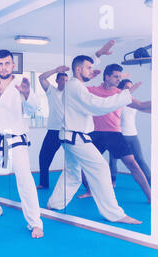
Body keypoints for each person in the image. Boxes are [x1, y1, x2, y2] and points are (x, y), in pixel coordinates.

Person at [46, 54, 142, 224]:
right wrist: (125, 94)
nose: (91, 71)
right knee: (102, 169)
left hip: (70, 137)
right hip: (76, 138)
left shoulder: (74, 86)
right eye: (88, 68)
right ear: (78, 69)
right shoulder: (75, 86)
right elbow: (97, 106)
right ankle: (115, 214)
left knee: (73, 174)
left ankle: (54, 204)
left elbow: (90, 101)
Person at [0, 49, 44, 239]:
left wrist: (28, 93)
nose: (3, 67)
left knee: (25, 182)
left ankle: (35, 224)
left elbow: (34, 108)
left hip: (16, 140)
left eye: (7, 63)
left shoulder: (21, 83)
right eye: (0, 63)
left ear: (13, 65)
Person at [76, 65, 151, 202]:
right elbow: (76, 88)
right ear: (107, 77)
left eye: (120, 77)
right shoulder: (92, 90)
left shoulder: (120, 94)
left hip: (114, 134)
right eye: (116, 76)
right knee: (84, 164)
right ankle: (90, 190)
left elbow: (140, 105)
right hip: (96, 133)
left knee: (133, 164)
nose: (118, 80)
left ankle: (150, 196)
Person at [109, 79, 151, 186]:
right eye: (127, 87)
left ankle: (151, 181)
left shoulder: (132, 101)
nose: (130, 89)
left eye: (131, 87)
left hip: (133, 135)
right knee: (113, 160)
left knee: (140, 160)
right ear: (121, 89)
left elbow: (144, 108)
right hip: (119, 135)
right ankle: (112, 181)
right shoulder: (117, 101)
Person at [36, 67, 69, 189]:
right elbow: (41, 77)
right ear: (57, 81)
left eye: (66, 80)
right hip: (53, 131)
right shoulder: (51, 91)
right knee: (43, 157)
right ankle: (44, 183)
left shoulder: (71, 94)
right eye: (62, 79)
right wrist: (56, 70)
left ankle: (88, 187)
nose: (64, 82)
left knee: (77, 161)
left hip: (68, 131)